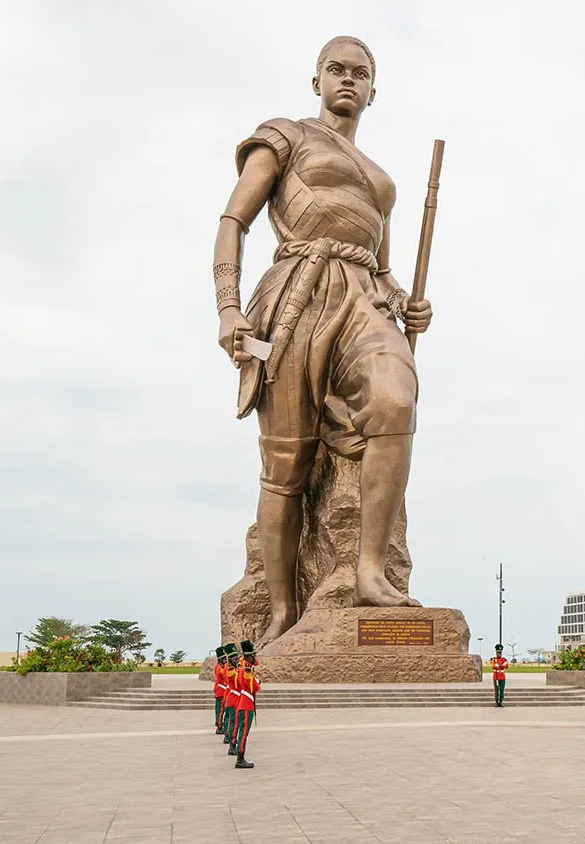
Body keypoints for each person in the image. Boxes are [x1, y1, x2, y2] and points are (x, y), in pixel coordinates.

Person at [211, 35, 434, 646]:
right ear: (316, 80)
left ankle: (369, 571)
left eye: (360, 74)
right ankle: (282, 609)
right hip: (296, 296)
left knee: (395, 400)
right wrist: (228, 309)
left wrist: (410, 308)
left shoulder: (382, 183)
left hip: (362, 299)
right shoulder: (285, 135)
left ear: (372, 89)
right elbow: (234, 221)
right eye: (336, 70)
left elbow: (383, 273)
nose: (348, 81)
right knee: (286, 465)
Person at [232, 640, 261, 769]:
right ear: (249, 656)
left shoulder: (244, 668)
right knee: (244, 733)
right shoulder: (247, 671)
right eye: (253, 655)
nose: (255, 657)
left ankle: (240, 755)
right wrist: (258, 681)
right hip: (246, 704)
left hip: (243, 702)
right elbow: (255, 687)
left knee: (242, 731)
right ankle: (240, 758)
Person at [222, 643, 240, 747]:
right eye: (235, 659)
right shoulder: (230, 671)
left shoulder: (233, 669)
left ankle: (229, 737)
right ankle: (230, 741)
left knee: (232, 720)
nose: (237, 660)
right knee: (232, 721)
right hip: (232, 697)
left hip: (234, 697)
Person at [212, 646, 229, 734]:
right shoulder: (219, 668)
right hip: (221, 691)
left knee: (220, 709)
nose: (226, 660)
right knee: (221, 710)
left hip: (222, 690)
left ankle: (219, 723)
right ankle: (219, 726)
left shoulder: (220, 667)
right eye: (224, 659)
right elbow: (223, 674)